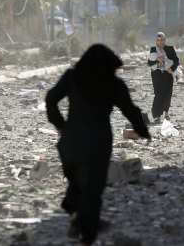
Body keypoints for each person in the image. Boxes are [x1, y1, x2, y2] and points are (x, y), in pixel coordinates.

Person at [45, 44, 151, 245]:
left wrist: (60, 125)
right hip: (98, 142)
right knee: (92, 190)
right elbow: (130, 109)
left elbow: (51, 99)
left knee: (77, 182)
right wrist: (142, 130)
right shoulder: (113, 84)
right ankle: (87, 235)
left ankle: (76, 217)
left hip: (71, 141)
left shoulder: (71, 77)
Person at [148, 32, 179, 123]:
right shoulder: (153, 49)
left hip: (167, 74)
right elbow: (149, 63)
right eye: (158, 40)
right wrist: (157, 60)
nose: (160, 42)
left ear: (165, 40)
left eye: (162, 40)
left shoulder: (170, 49)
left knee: (167, 94)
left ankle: (166, 113)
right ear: (156, 41)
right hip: (157, 75)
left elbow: (176, 61)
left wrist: (172, 69)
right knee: (158, 95)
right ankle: (157, 116)